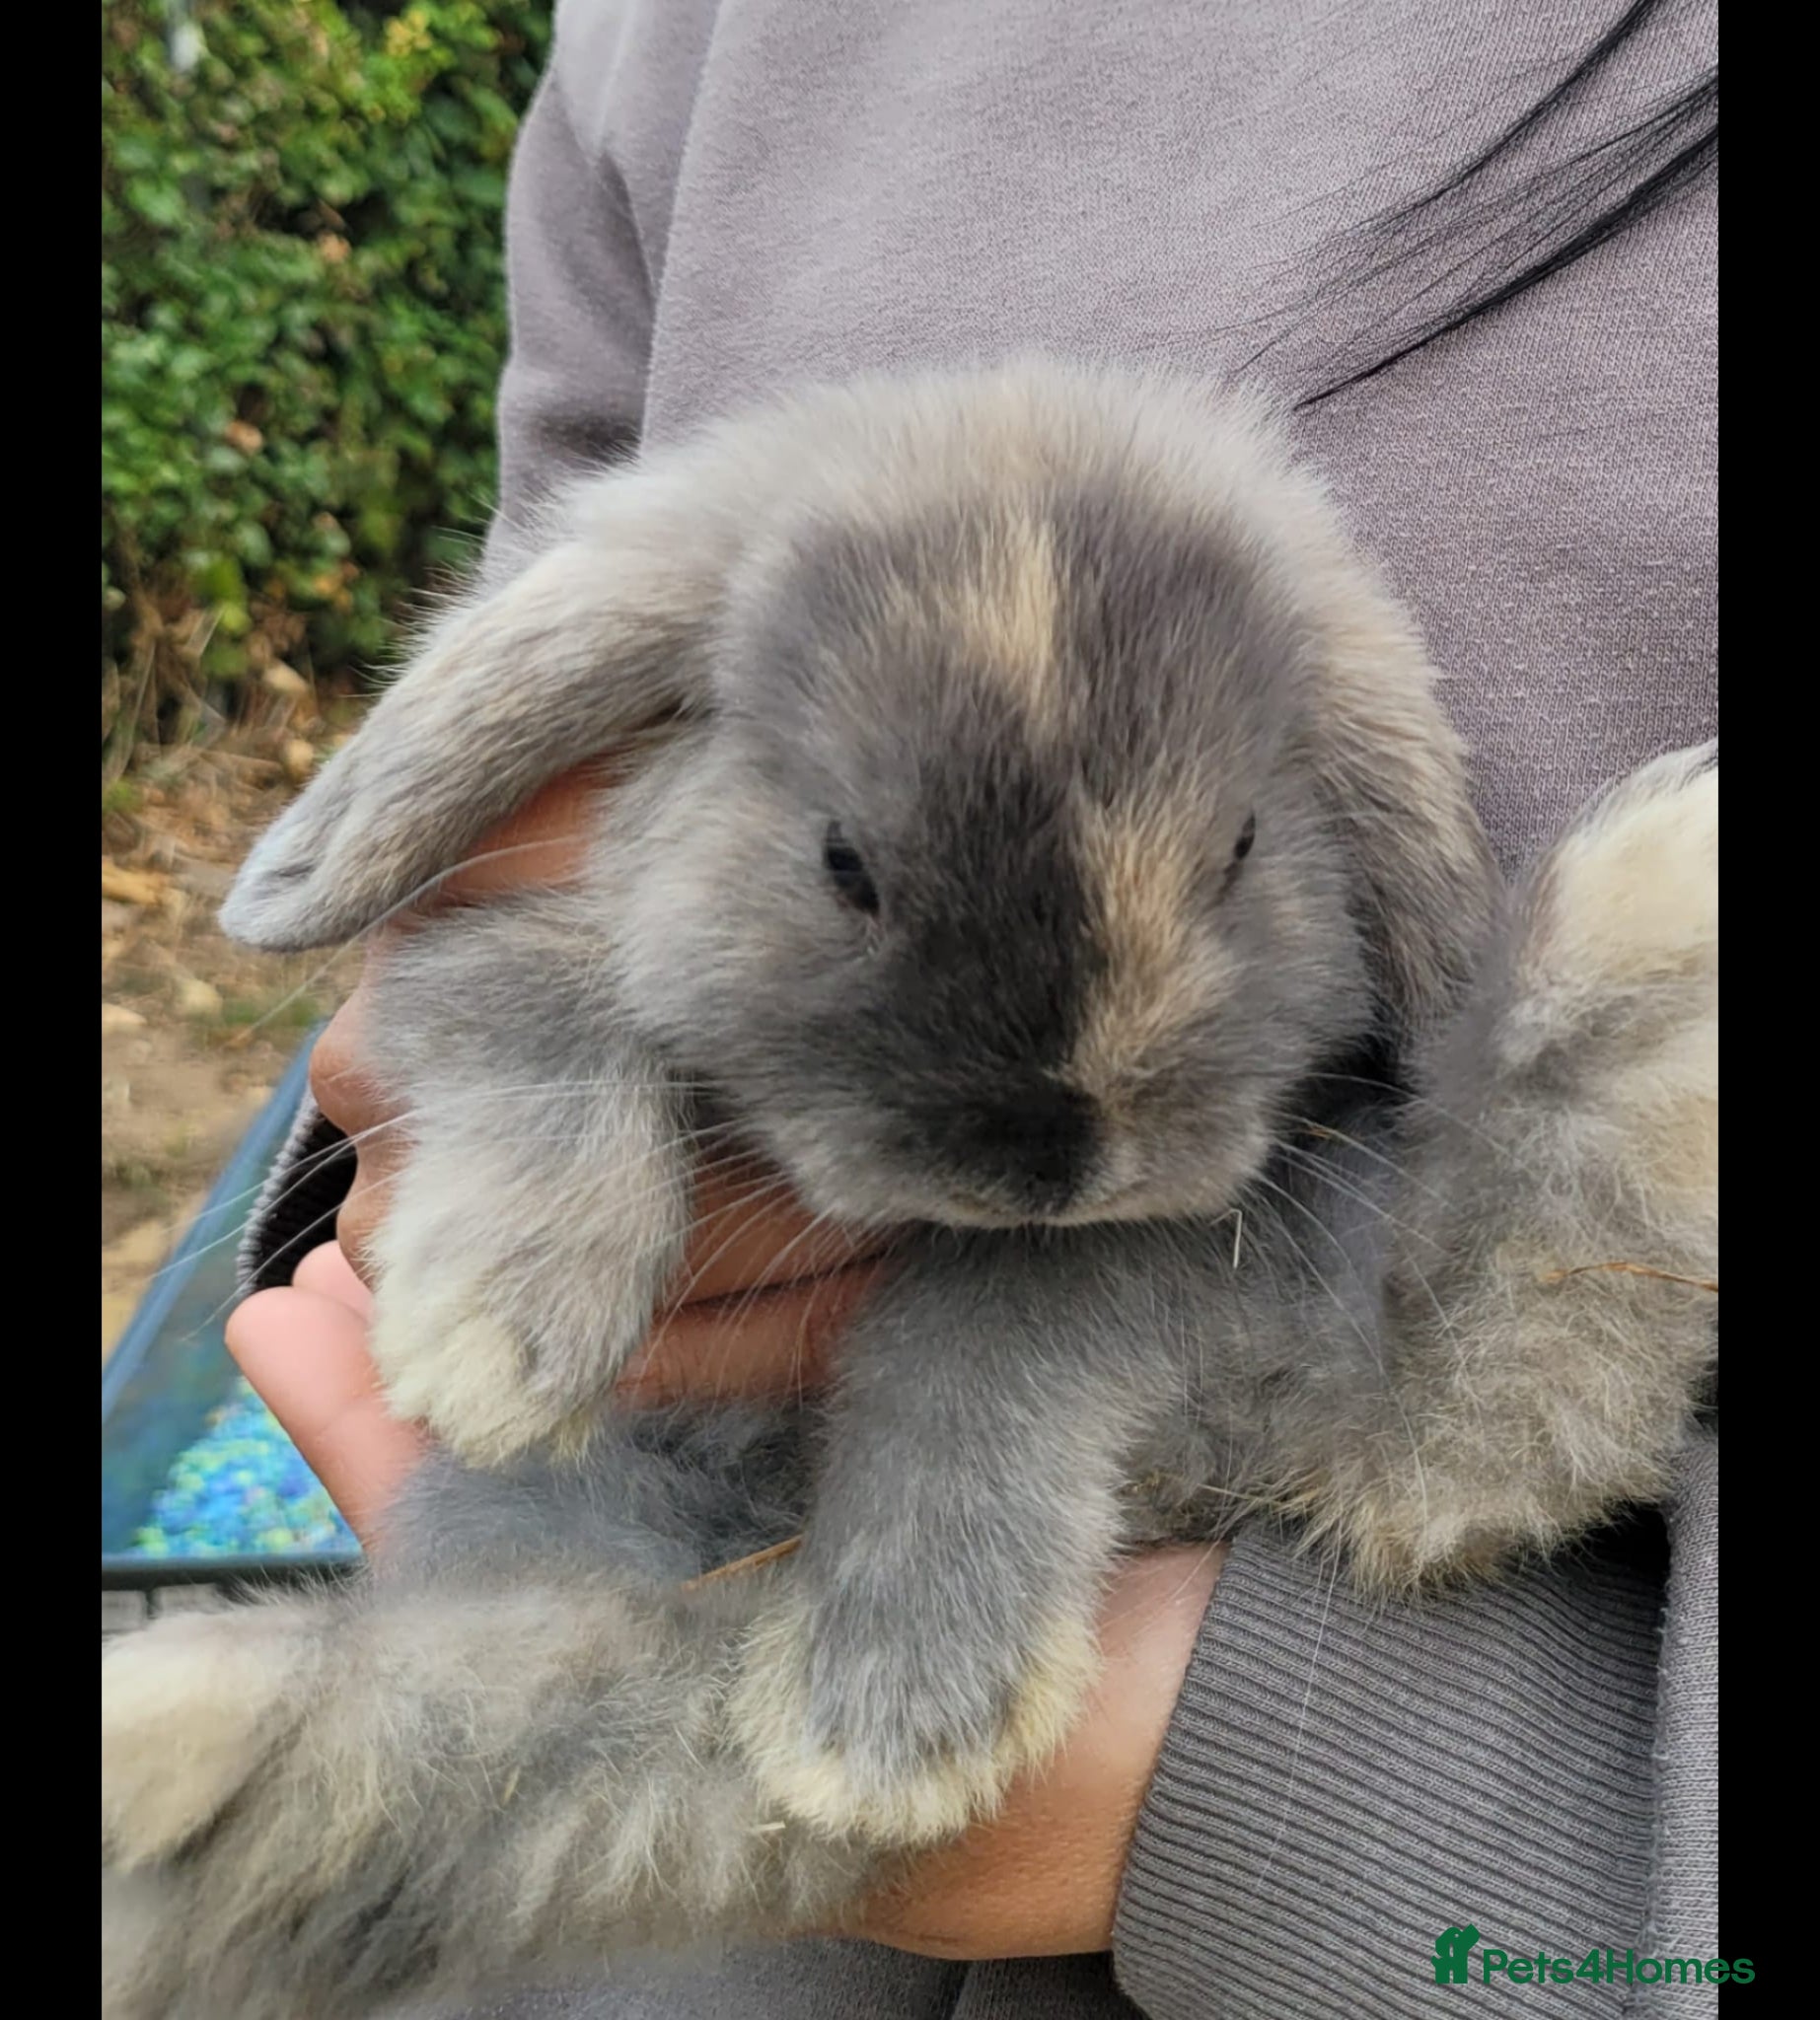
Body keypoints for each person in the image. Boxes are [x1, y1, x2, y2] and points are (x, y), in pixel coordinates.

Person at [228, 1, 1718, 2013]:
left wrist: (1330, 1782)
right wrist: (485, 1139)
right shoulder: (691, 32)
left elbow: (1443, 1082)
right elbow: (512, 852)